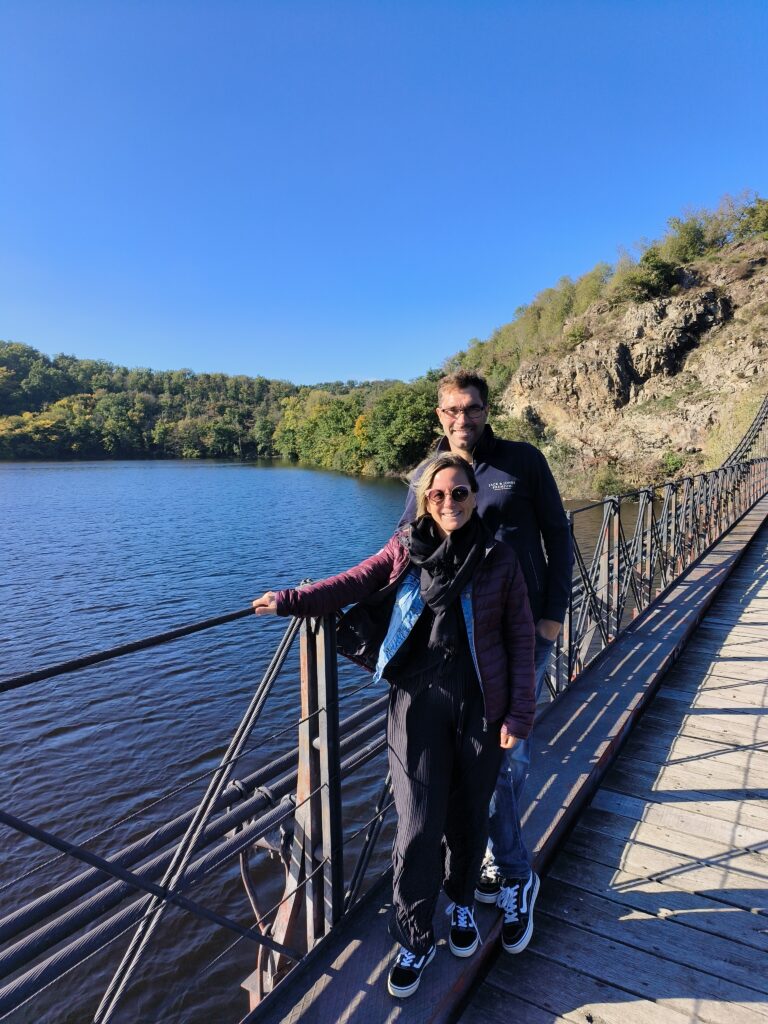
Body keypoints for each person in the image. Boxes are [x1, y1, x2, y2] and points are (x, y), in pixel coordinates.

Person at [254, 453, 535, 998]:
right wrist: (291, 599)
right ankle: (414, 934)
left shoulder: (499, 558)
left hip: (482, 706)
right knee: (417, 824)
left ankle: (458, 907)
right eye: (438, 495)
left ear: (475, 497)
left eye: (459, 493)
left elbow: (521, 641)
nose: (449, 503)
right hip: (417, 701)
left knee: (469, 816)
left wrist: (520, 714)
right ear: (424, 500)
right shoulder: (405, 549)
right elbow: (354, 581)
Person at [399, 370, 573, 956]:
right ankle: (482, 865)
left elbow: (558, 532)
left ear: (486, 409)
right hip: (454, 650)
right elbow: (405, 548)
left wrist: (554, 611)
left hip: (520, 637)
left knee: (505, 761)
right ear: (439, 415)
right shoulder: (429, 475)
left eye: (470, 408)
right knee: (472, 765)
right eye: (451, 410)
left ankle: (518, 877)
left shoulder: (523, 461)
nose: (461, 419)